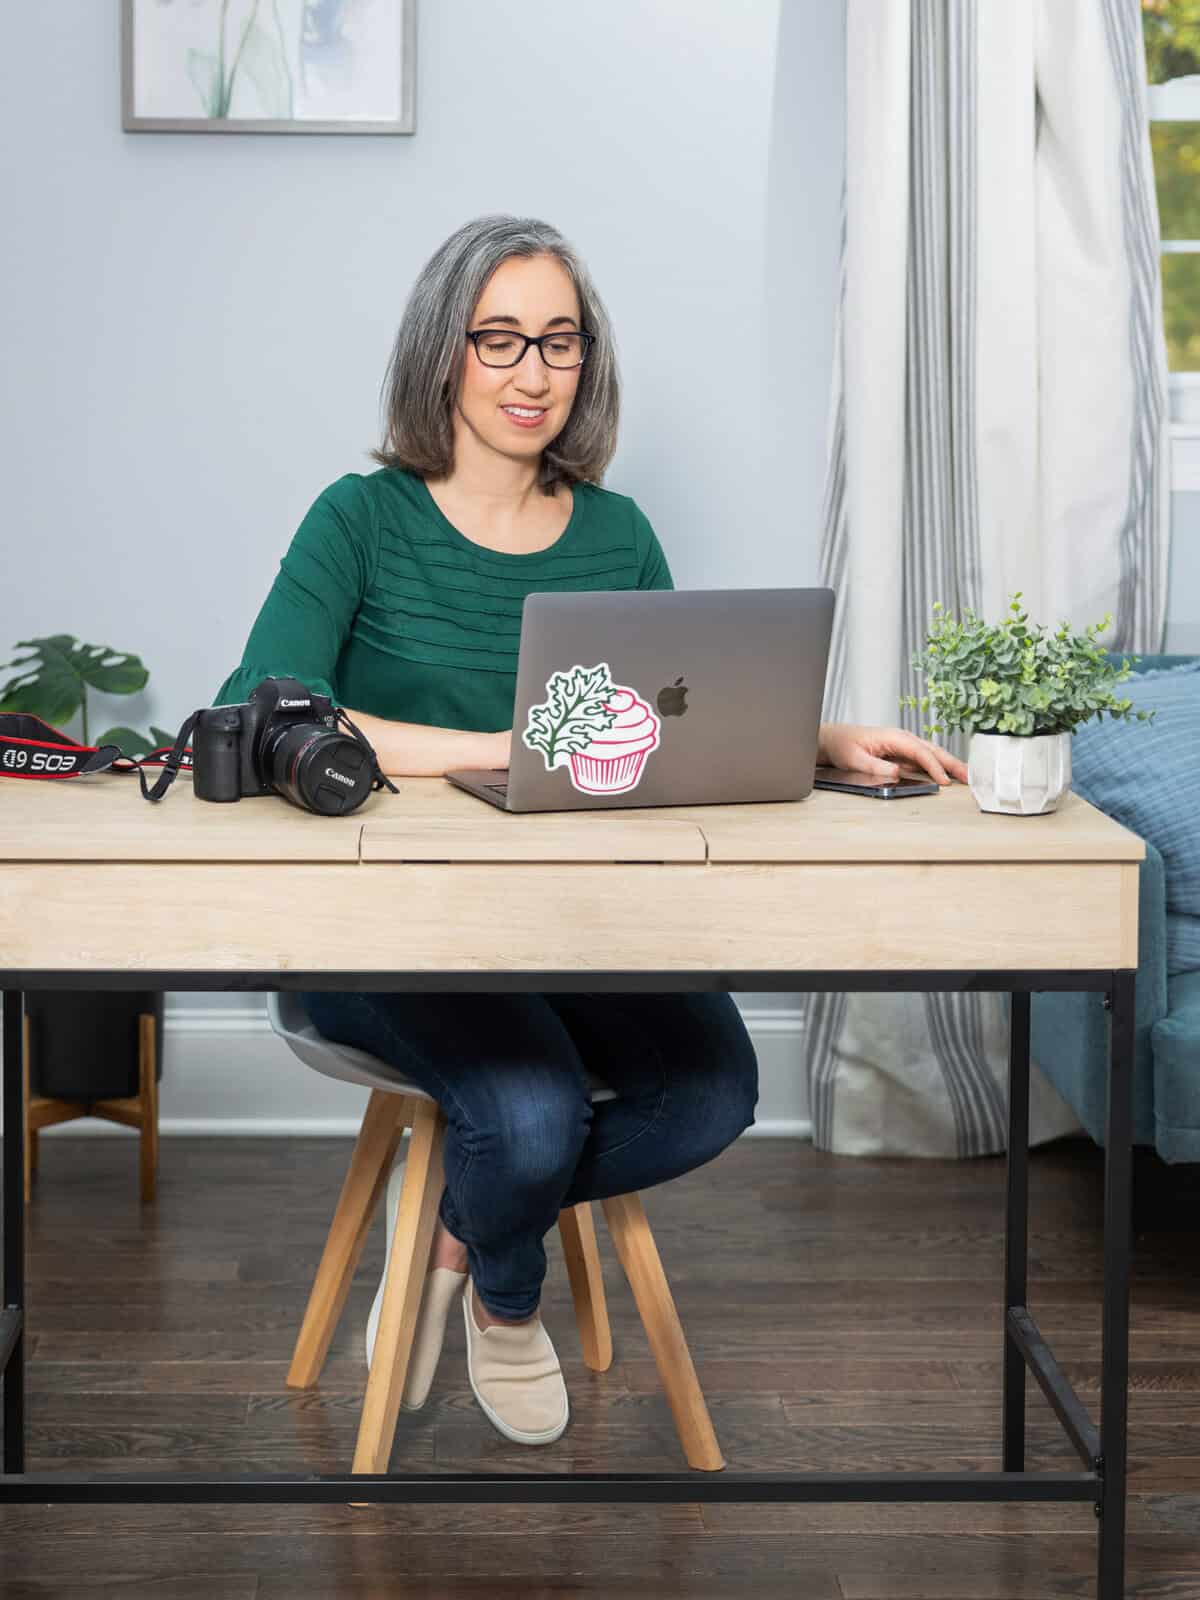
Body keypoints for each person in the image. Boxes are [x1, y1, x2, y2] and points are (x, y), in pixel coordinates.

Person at [213, 214, 968, 1449]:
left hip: (571, 921)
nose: (531, 372)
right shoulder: (359, 519)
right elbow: (269, 705)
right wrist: (489, 752)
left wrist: (816, 736)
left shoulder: (616, 534)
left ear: (587, 362)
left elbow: (676, 719)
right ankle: (507, 1302)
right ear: (441, 353)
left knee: (714, 1089)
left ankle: (459, 1211)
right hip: (376, 930)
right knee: (532, 1108)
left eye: (559, 342)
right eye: (499, 338)